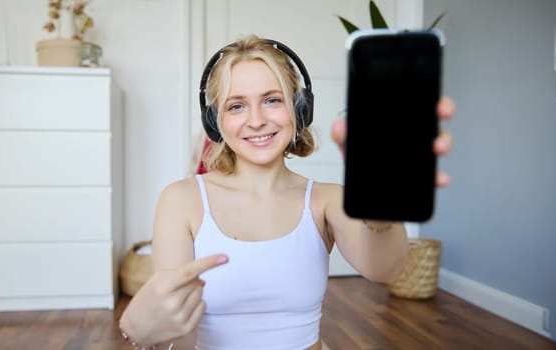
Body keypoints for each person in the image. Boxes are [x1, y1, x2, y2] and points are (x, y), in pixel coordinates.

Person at [118, 34, 455, 350]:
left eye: (272, 100)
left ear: (299, 109)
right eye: (236, 106)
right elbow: (170, 323)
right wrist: (140, 331)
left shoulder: (327, 201)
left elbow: (385, 270)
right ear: (214, 121)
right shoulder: (182, 200)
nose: (256, 120)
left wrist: (382, 198)